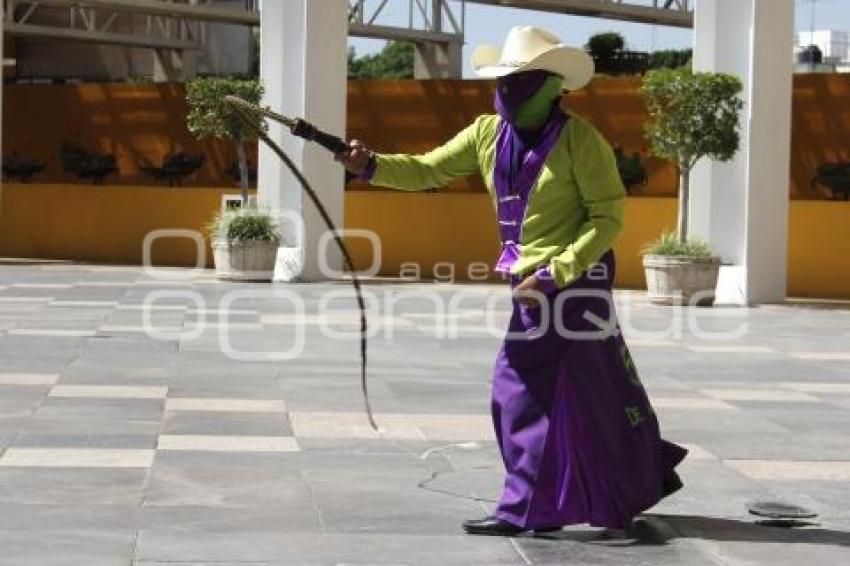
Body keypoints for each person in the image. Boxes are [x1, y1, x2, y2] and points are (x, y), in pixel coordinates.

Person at [337, 26, 687, 537]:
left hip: (572, 284)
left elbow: (607, 219)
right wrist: (369, 165)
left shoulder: (580, 141)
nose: (509, 87)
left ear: (551, 85)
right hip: (530, 283)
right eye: (506, 77)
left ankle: (525, 508)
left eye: (521, 78)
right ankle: (637, 476)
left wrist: (555, 272)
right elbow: (426, 171)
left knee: (517, 386)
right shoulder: (485, 134)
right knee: (594, 386)